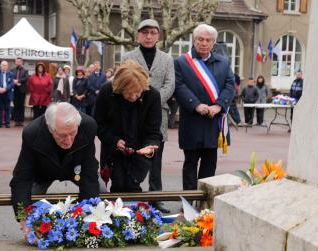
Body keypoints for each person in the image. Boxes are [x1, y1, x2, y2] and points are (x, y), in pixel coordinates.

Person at [10, 101, 100, 220]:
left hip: (77, 170)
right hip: (43, 173)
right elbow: (22, 178)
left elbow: (89, 171)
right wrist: (23, 217)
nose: (68, 141)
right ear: (50, 128)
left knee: (100, 190)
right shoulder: (32, 133)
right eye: (62, 135)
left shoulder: (89, 126)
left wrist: (89, 214)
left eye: (73, 133)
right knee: (26, 195)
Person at [122, 18, 175, 213]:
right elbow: (122, 82)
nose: (149, 36)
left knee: (156, 156)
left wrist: (152, 102)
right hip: (132, 111)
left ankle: (156, 196)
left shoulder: (167, 59)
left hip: (158, 113)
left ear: (158, 36)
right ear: (138, 35)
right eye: (145, 33)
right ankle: (130, 193)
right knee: (131, 153)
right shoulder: (128, 56)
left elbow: (170, 84)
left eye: (153, 33)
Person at [174, 24, 234, 191]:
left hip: (213, 122)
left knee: (209, 164)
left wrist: (219, 105)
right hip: (192, 120)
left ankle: (204, 203)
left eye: (208, 40)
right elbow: (179, 86)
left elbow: (230, 86)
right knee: (190, 163)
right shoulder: (181, 62)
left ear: (213, 43)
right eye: (200, 39)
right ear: (194, 41)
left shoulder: (223, 62)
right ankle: (188, 202)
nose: (204, 43)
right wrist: (196, 105)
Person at [95, 60, 162, 193]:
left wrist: (150, 147)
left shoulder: (152, 95)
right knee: (118, 184)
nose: (133, 97)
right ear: (119, 88)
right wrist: (114, 141)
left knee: (133, 185)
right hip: (114, 150)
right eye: (128, 93)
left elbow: (154, 131)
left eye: (137, 92)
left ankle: (135, 211)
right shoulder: (107, 92)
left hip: (141, 149)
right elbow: (98, 124)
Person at [0, 60, 14, 128]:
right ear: (0, 66)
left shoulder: (11, 74)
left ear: (7, 66)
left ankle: (7, 123)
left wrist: (6, 89)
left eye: (5, 65)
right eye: (3, 65)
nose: (4, 67)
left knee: (7, 109)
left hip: (7, 93)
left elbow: (12, 84)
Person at [11, 57, 28, 127]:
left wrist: (18, 81)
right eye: (17, 61)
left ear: (21, 62)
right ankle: (16, 120)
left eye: (19, 61)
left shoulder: (25, 70)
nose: (18, 63)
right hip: (14, 89)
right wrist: (14, 81)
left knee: (21, 105)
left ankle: (21, 120)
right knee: (16, 105)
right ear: (15, 62)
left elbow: (26, 78)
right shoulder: (12, 70)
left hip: (22, 89)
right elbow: (10, 77)